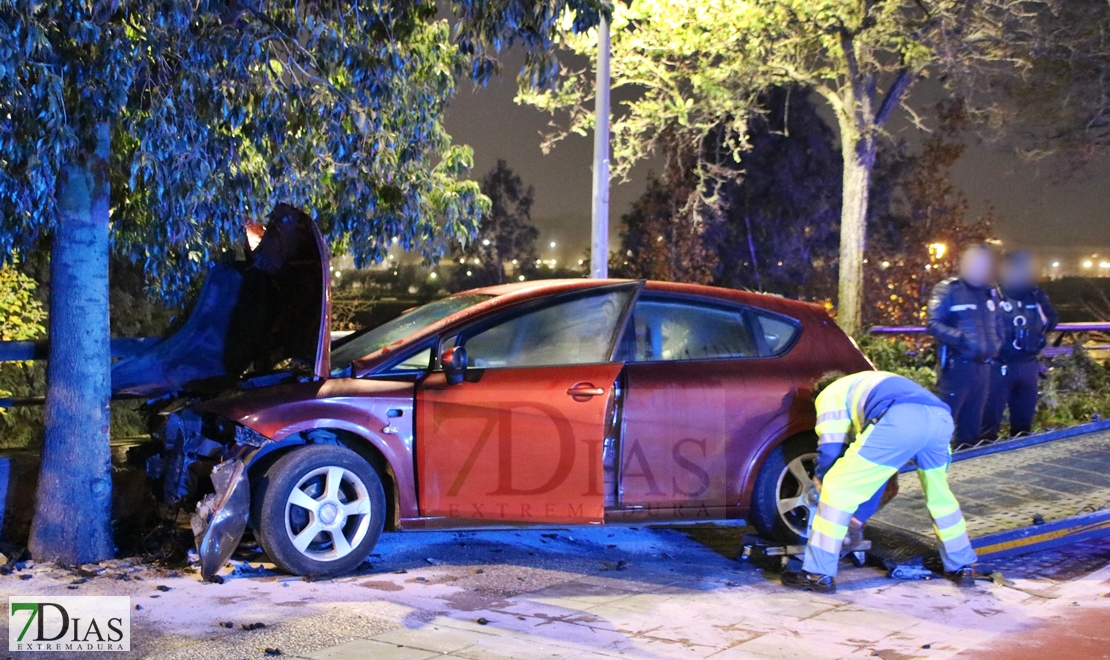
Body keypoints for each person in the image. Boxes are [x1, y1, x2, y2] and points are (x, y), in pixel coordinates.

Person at [781, 371, 978, 594]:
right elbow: (877, 476)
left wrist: (821, 477)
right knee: (939, 495)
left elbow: (830, 447)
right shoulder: (869, 382)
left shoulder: (830, 393)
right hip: (940, 419)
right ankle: (962, 567)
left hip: (900, 419)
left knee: (837, 487)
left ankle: (817, 573)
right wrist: (856, 520)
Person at [926, 245, 1004, 446]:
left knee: (972, 426)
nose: (979, 268)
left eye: (983, 264)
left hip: (984, 368)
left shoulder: (990, 292)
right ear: (963, 264)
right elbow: (933, 323)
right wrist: (961, 340)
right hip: (957, 367)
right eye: (974, 263)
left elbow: (998, 324)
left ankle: (966, 466)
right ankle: (934, 468)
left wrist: (996, 343)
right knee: (944, 421)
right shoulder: (949, 290)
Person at [981, 251, 1058, 440]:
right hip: (999, 367)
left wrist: (1037, 324)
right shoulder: (992, 295)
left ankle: (1019, 464)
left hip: (1028, 366)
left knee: (1024, 425)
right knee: (989, 424)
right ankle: (983, 462)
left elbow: (1052, 319)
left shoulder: (1035, 294)